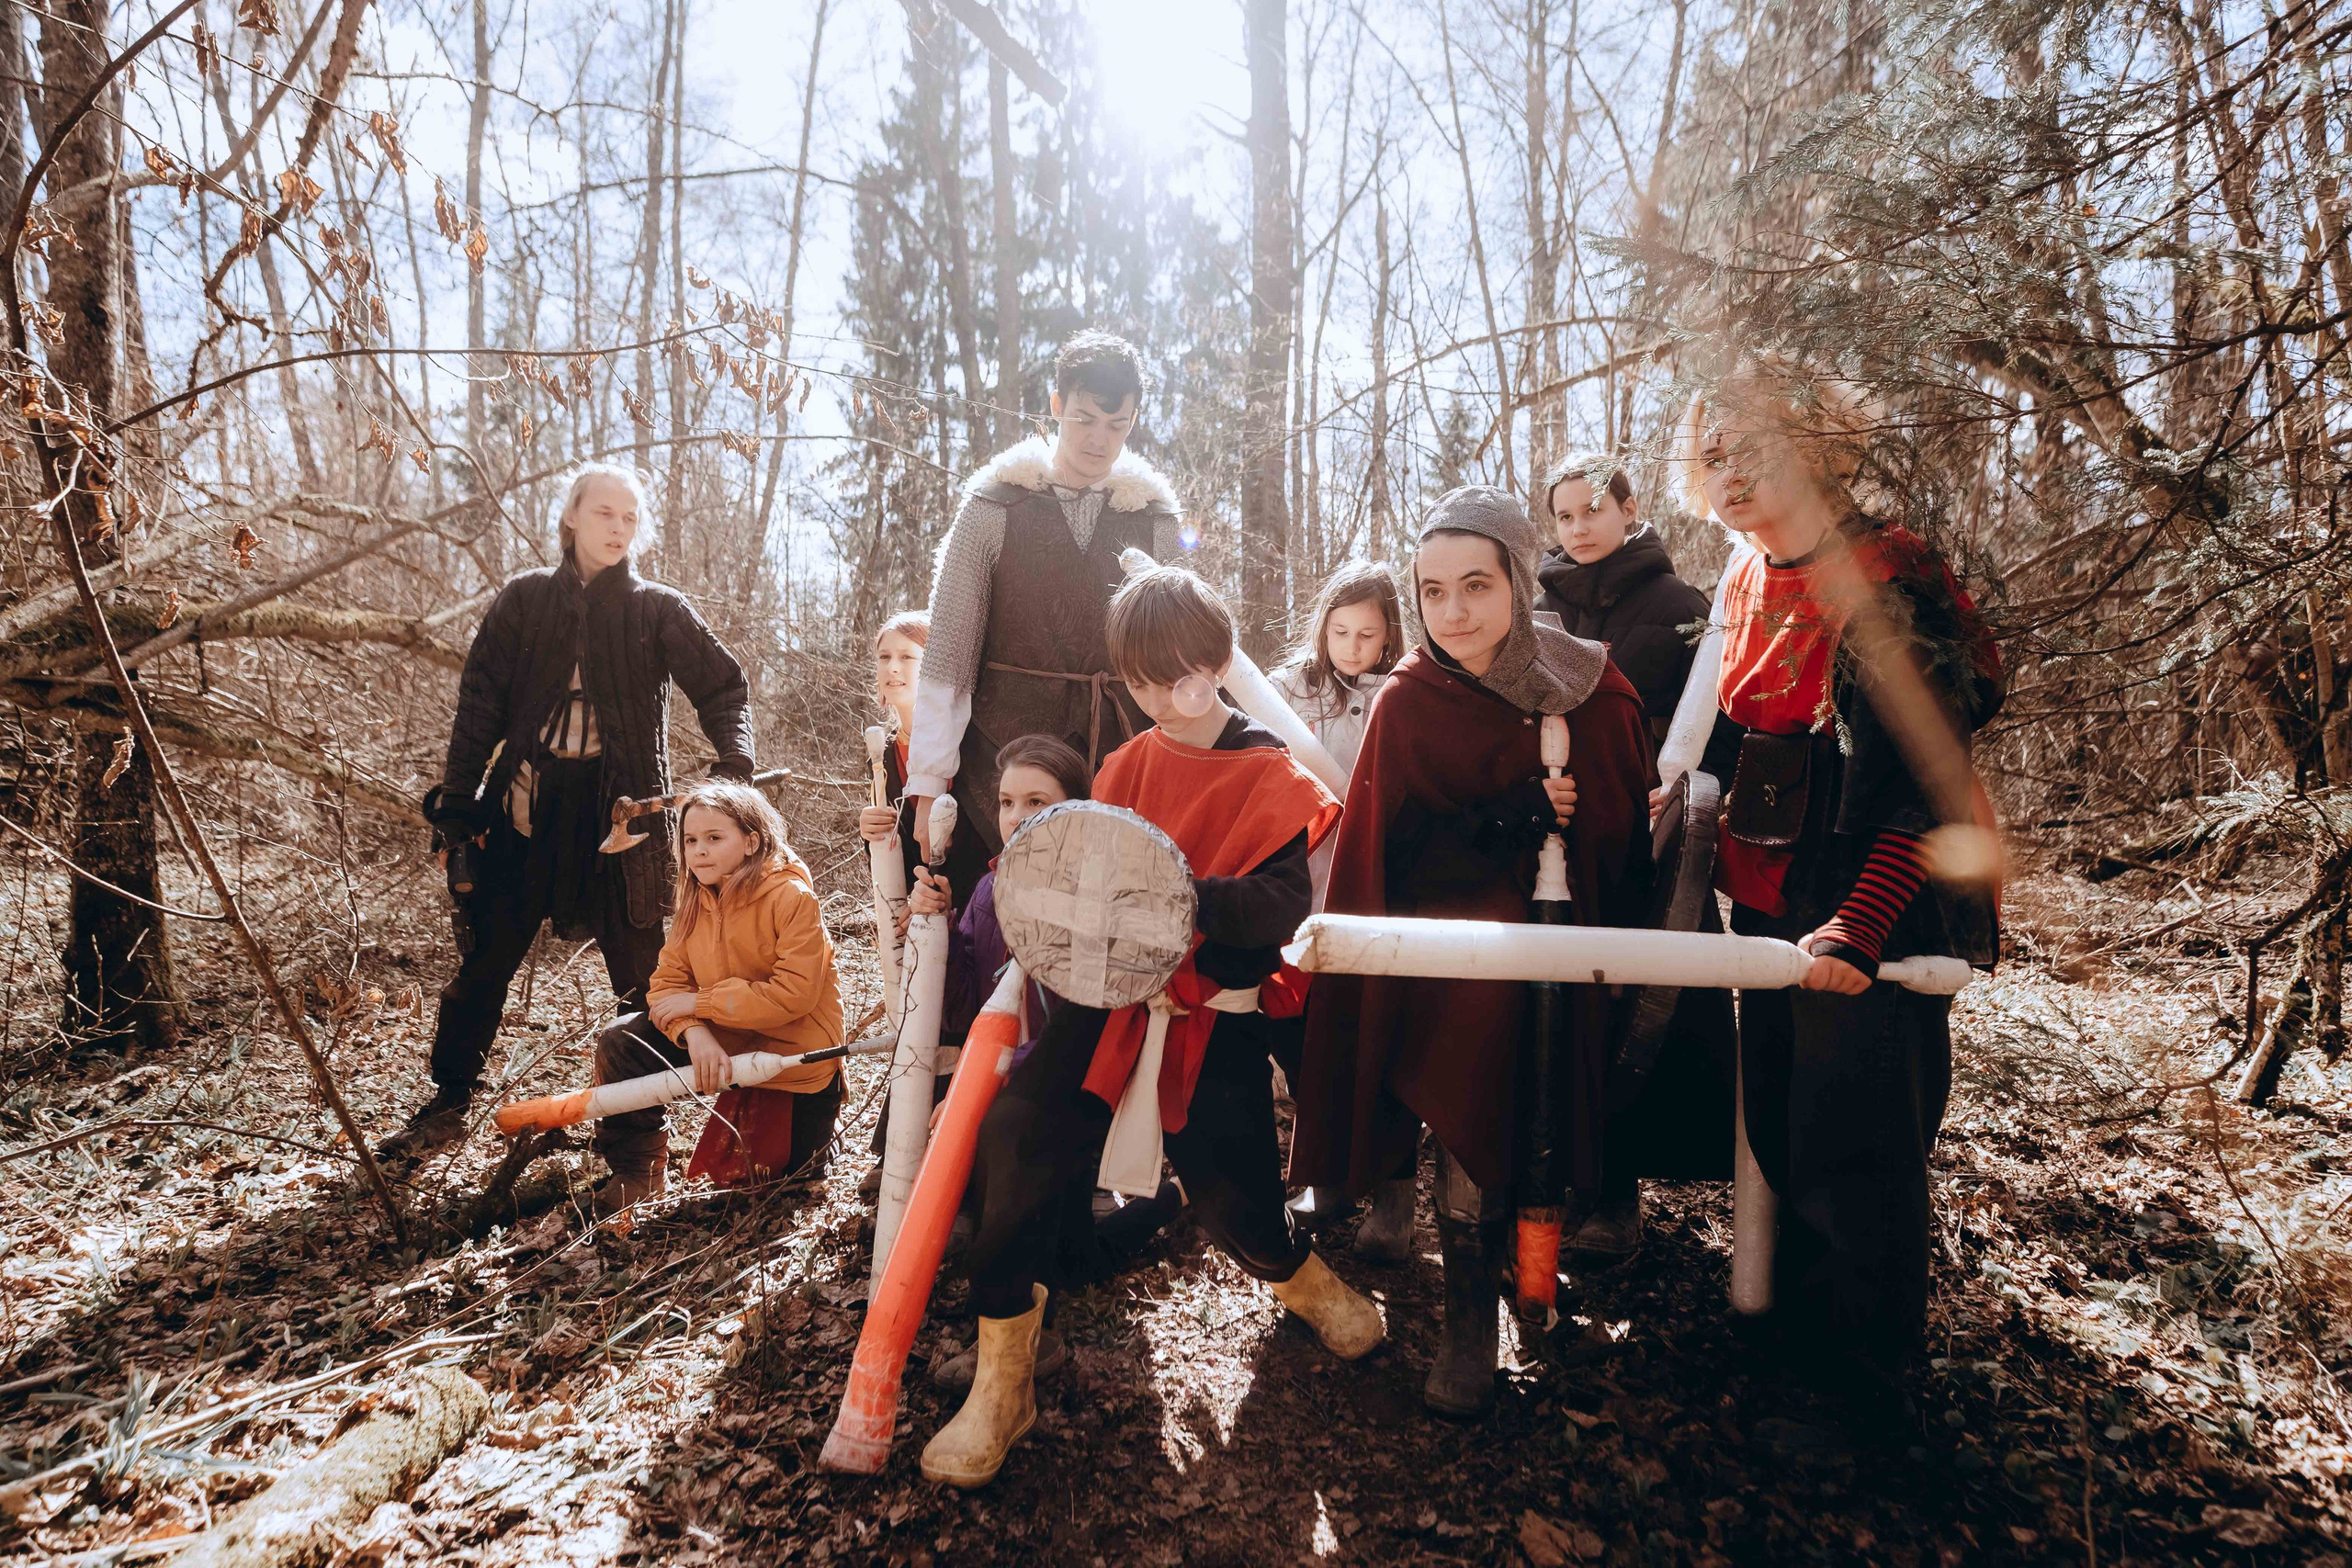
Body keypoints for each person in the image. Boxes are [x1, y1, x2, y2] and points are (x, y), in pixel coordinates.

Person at [922, 567, 1378, 1490]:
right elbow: (1077, 880)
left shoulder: (1273, 778)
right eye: (1138, 679)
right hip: (1104, 1007)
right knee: (1013, 1138)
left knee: (1232, 1191)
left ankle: (1305, 1281)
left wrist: (1173, 900)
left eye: (1178, 669)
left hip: (1209, 1018)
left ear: (1216, 660)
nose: (1161, 693)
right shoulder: (1126, 767)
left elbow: (1275, 910)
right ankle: (1005, 1386)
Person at [1678, 364, 2002, 1453]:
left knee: (1857, 1146)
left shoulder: (1887, 577)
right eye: (1710, 453)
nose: (1727, 474)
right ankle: (1804, 1354)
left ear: (1816, 441)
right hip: (1775, 904)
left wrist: (1859, 925)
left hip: (1873, 911)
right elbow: (1733, 740)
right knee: (1780, 1121)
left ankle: (1865, 1394)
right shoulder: (1747, 578)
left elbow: (1926, 773)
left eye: (1751, 447)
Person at [1289, 487, 1657, 1420]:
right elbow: (1386, 852)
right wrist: (1503, 818)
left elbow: (1619, 839)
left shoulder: (1594, 686)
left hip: (1562, 942)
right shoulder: (1411, 699)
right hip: (1444, 956)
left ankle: (1528, 1286)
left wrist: (1566, 830)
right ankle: (1465, 1316)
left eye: (1476, 587)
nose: (1453, 612)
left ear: (1516, 581)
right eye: (1434, 591)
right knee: (1476, 1047)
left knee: (1538, 1080)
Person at [385, 464, 755, 1159]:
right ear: (572, 518)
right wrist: (460, 810)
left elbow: (725, 688)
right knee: (484, 965)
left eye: (629, 517)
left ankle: (638, 1130)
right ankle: (447, 1100)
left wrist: (733, 767)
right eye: (605, 514)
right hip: (527, 814)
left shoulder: (658, 609)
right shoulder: (523, 601)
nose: (618, 528)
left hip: (627, 822)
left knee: (645, 977)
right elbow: (479, 708)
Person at [907, 331, 1187, 865]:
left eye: (1117, 424)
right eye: (1084, 418)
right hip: (999, 767)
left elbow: (1184, 666)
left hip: (1121, 763)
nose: (1098, 440)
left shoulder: (1154, 523)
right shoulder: (994, 506)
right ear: (1056, 405)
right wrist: (927, 787)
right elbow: (948, 659)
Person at [586, 783, 844, 1213]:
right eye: (690, 840)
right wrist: (695, 1033)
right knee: (621, 1040)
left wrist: (700, 1004)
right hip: (725, 1039)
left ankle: (817, 1141)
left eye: (714, 838)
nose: (699, 851)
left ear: (751, 841)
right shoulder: (695, 900)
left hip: (793, 1057)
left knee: (787, 1190)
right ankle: (638, 1172)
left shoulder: (792, 897)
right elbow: (667, 985)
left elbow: (794, 995)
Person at [1269, 562, 1418, 1262]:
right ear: (1321, 625)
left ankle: (1395, 1188)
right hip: (1301, 881)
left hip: (1377, 887)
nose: (1352, 645)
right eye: (1340, 630)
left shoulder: (1405, 690)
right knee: (1305, 1037)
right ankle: (1323, 1174)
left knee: (1377, 1035)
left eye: (1367, 633)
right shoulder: (1286, 690)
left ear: (1388, 633)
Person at [1533, 454, 1712, 744]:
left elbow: (1717, 720)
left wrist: (1684, 784)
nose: (1578, 529)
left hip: (1649, 787)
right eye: (1565, 517)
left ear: (1628, 510)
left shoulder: (1680, 604)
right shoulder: (1538, 615)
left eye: (1592, 510)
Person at [858, 611, 990, 907]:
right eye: (884, 657)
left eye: (907, 657)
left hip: (978, 908)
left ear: (935, 669)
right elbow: (901, 870)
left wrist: (952, 901)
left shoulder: (969, 744)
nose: (892, 667)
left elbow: (986, 839)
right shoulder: (884, 757)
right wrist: (872, 837)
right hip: (922, 913)